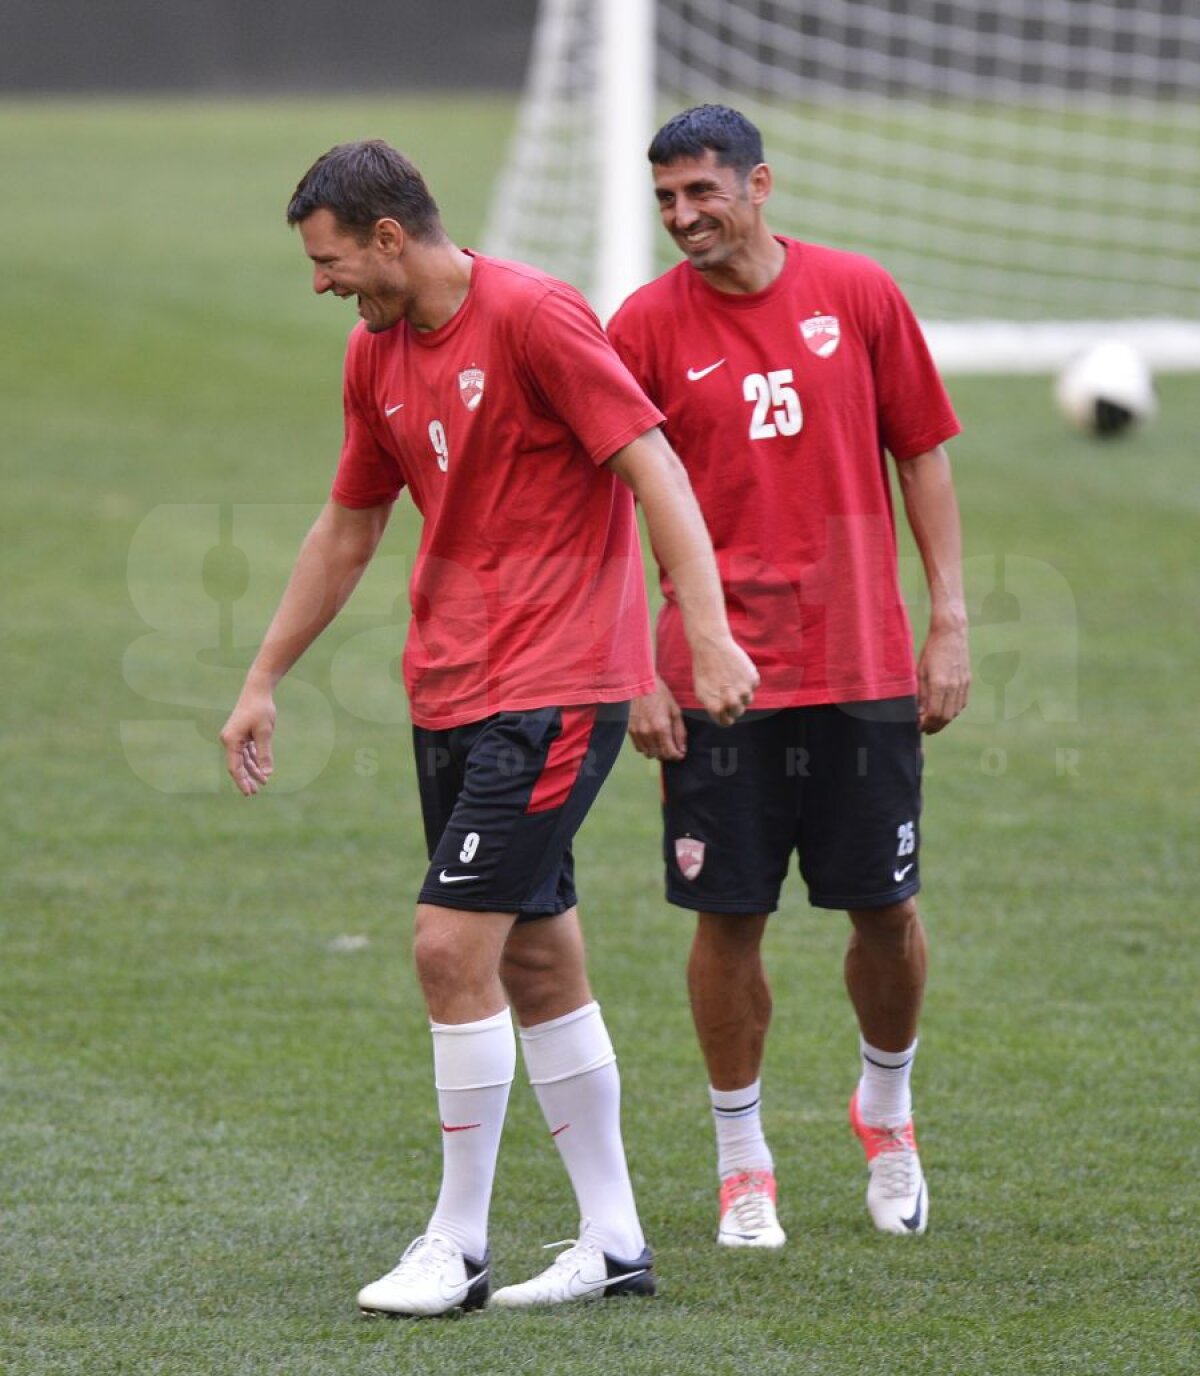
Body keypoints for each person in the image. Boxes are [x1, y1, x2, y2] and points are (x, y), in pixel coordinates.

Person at [219, 139, 758, 1315]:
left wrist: (704, 631)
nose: (321, 283)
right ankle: (614, 1240)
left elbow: (655, 467)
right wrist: (263, 676)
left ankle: (456, 1243)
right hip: (451, 688)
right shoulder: (375, 352)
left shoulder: (535, 317)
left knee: (445, 944)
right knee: (533, 954)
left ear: (390, 237)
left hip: (554, 688)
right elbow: (348, 526)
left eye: (330, 261)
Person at [607, 105, 970, 1246]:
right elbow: (604, 508)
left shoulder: (858, 294)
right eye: (666, 200)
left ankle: (888, 1116)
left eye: (701, 193)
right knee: (729, 918)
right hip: (714, 677)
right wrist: (634, 665)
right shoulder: (641, 328)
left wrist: (950, 619)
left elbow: (922, 453)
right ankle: (742, 1162)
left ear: (759, 185)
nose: (682, 217)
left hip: (860, 661)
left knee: (887, 908)